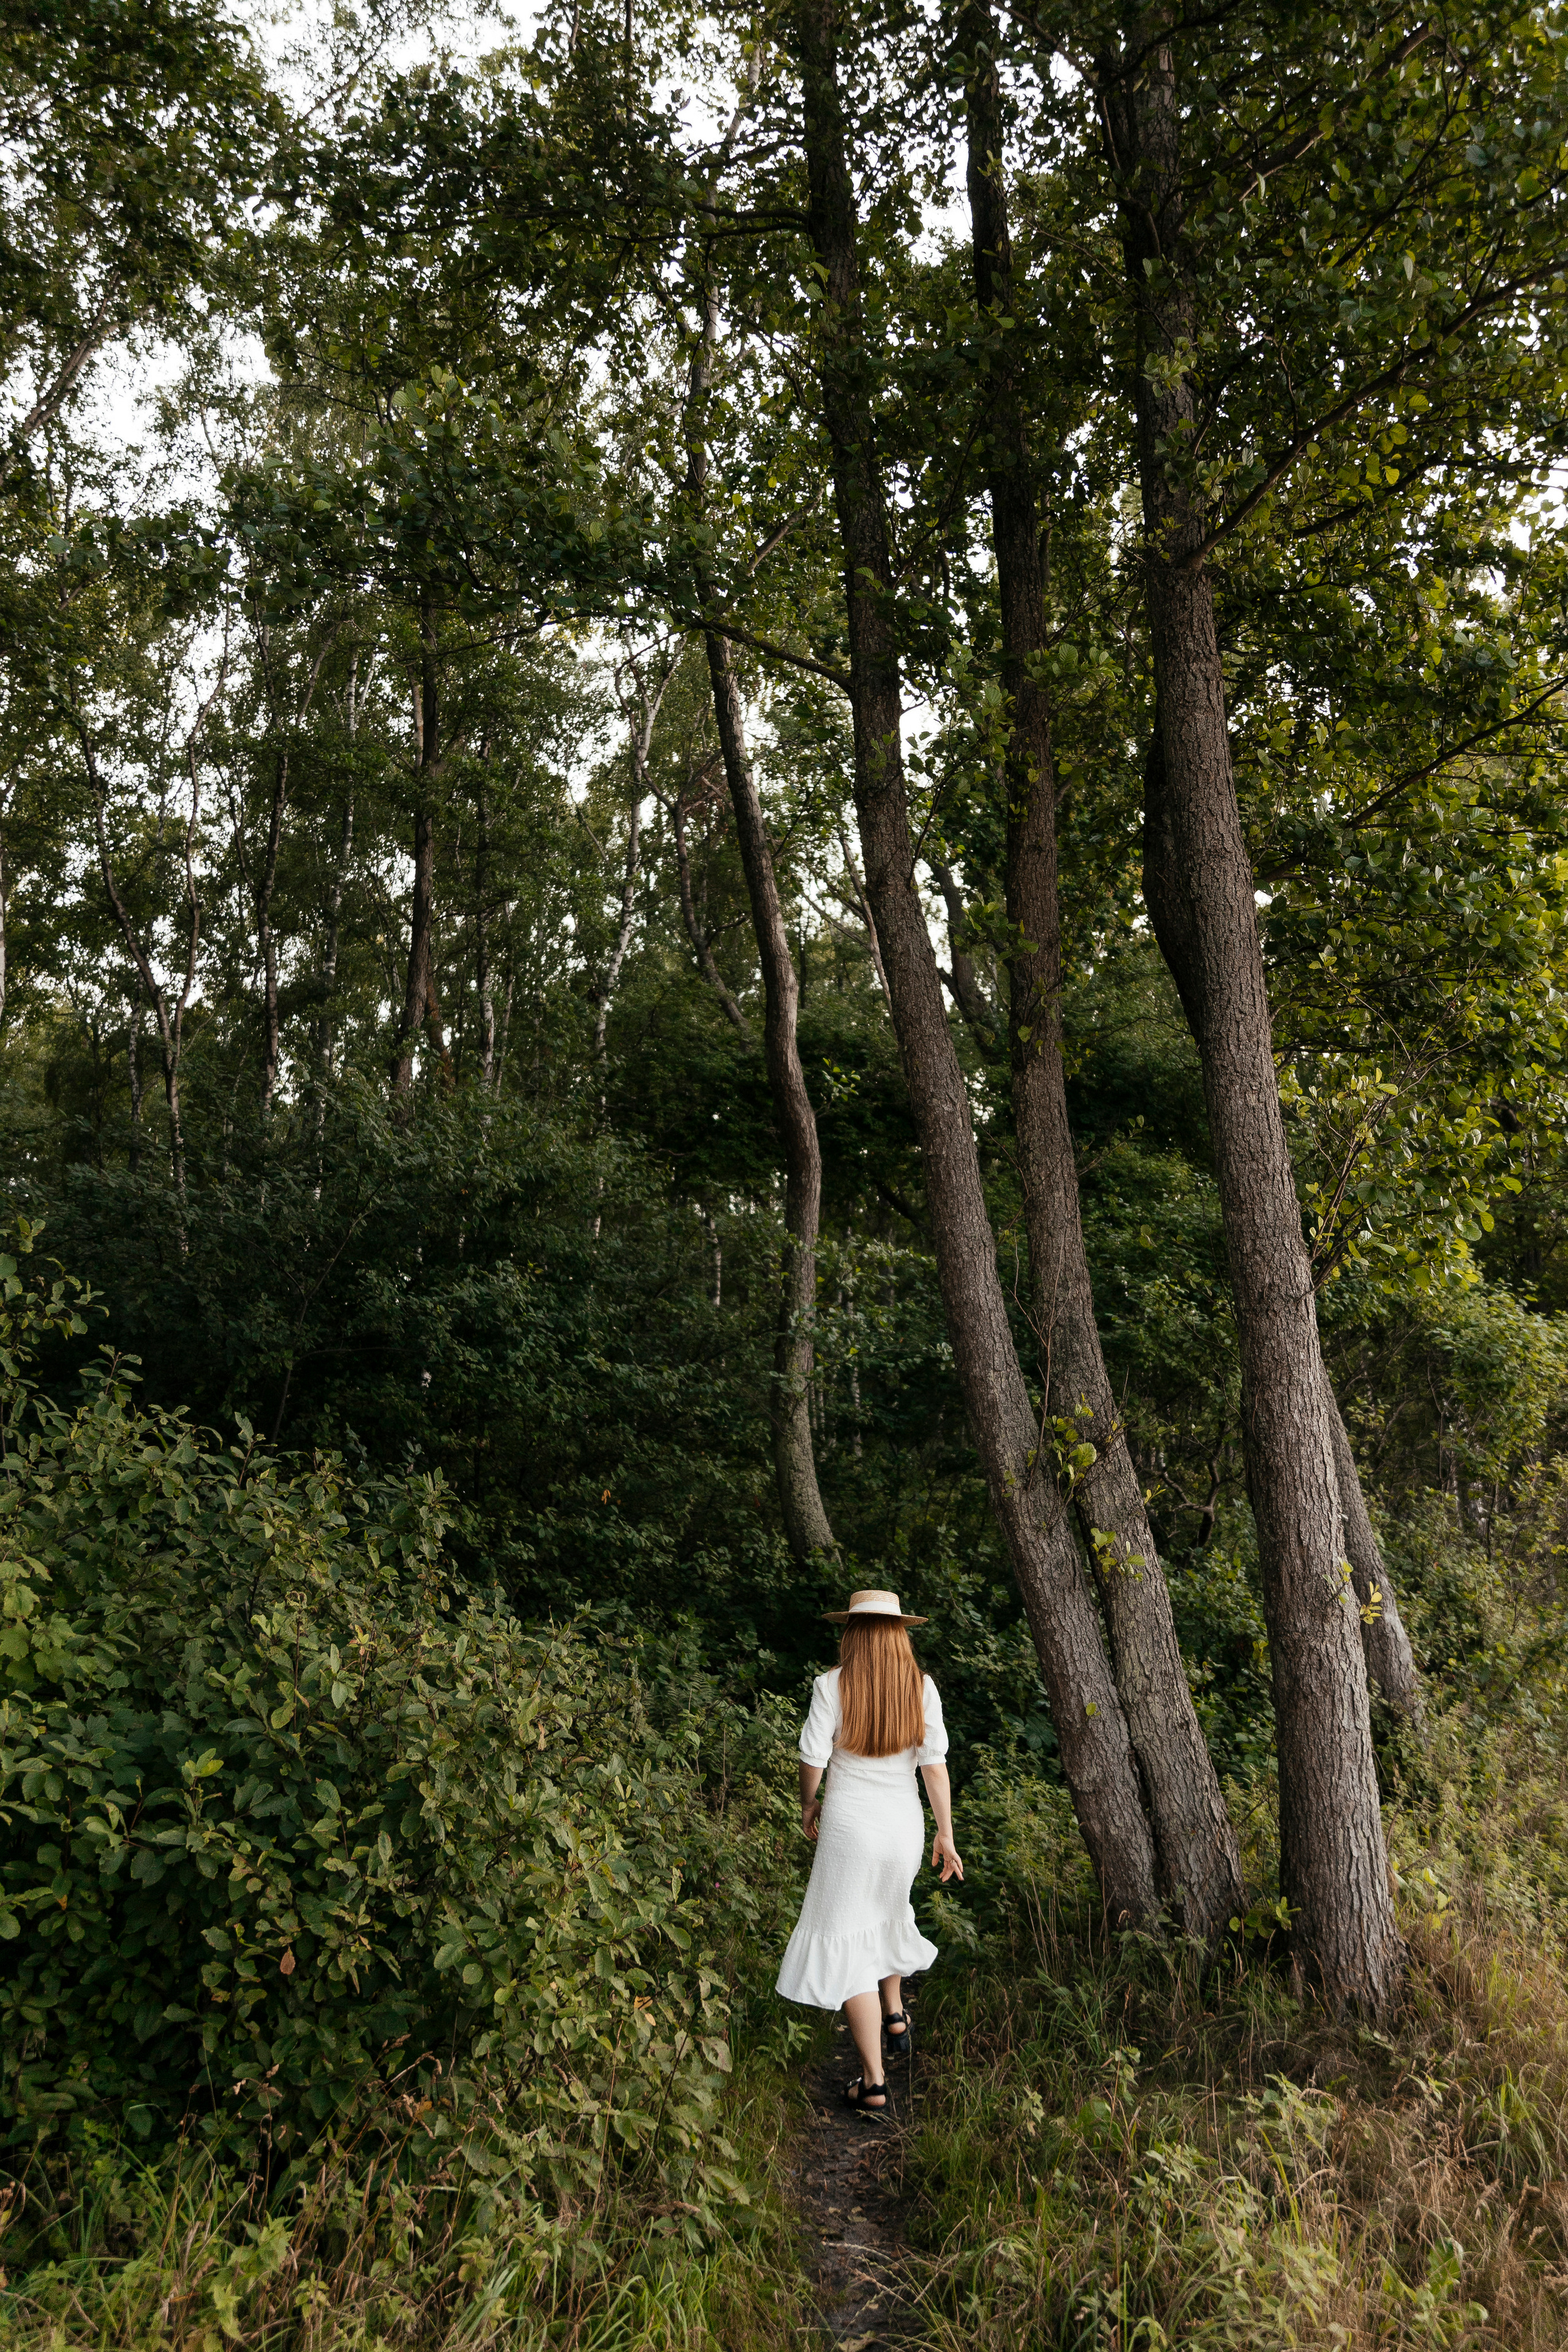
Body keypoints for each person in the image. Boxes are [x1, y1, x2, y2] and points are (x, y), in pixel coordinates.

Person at [775, 1589, 964, 2116]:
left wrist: (809, 1804)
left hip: (850, 1829)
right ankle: (895, 2011)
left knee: (847, 1940)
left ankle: (875, 2082)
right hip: (902, 1828)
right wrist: (944, 1833)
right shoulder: (921, 1688)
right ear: (900, 1634)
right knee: (887, 1913)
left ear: (852, 1633)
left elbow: (813, 1756)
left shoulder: (831, 1685)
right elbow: (935, 1766)